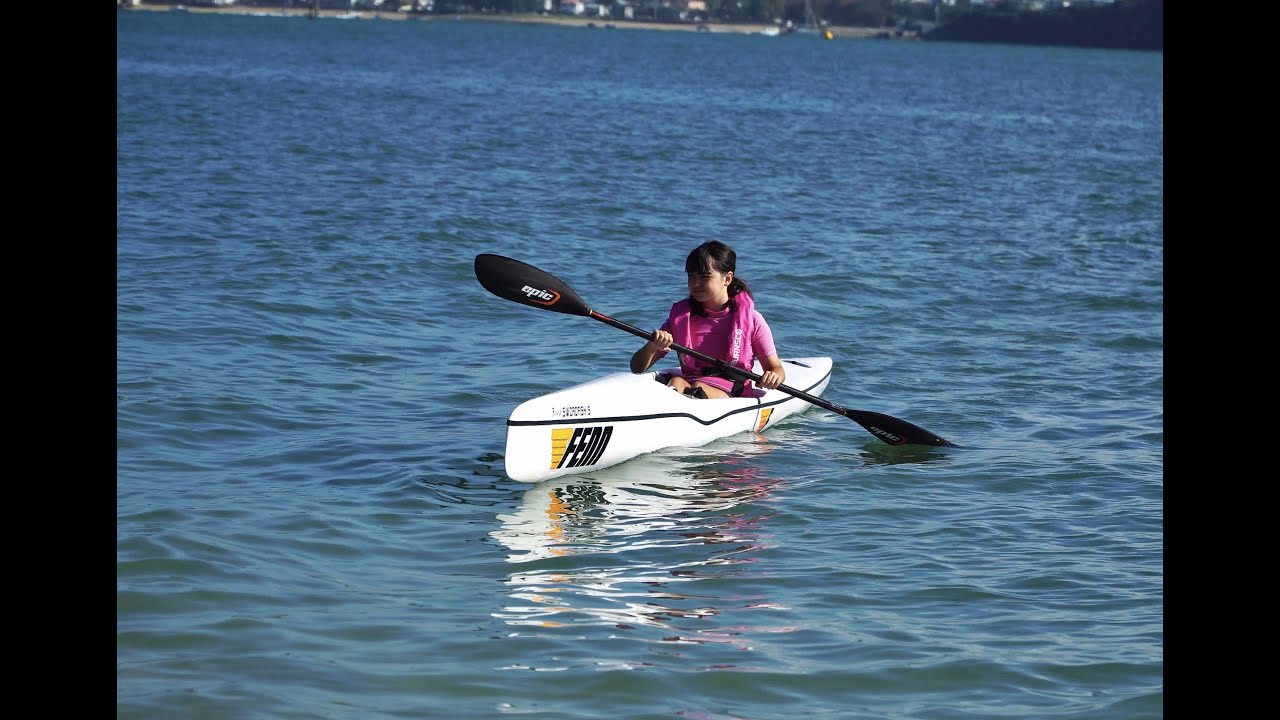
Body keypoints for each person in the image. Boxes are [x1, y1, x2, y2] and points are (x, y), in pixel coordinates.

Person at [629, 241, 785, 399]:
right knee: (676, 381)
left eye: (704, 277)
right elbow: (637, 368)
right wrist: (651, 347)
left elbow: (775, 368)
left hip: (731, 389)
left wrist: (773, 377)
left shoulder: (753, 320)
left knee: (698, 387)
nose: (696, 284)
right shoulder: (682, 318)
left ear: (727, 279)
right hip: (689, 383)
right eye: (691, 276)